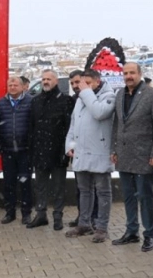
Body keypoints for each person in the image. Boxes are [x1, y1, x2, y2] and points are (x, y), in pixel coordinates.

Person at [110, 63, 153, 251]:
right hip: (124, 155)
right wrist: (113, 149)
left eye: (132, 72)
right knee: (129, 197)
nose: (128, 76)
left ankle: (150, 235)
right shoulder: (119, 95)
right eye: (125, 73)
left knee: (145, 197)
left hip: (144, 156)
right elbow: (117, 124)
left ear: (140, 74)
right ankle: (131, 231)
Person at [65, 69, 116, 243]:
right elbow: (74, 122)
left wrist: (86, 92)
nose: (81, 86)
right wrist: (69, 144)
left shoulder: (109, 96)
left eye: (86, 82)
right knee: (84, 191)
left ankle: (101, 227)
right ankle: (84, 223)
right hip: (81, 151)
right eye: (81, 83)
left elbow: (99, 112)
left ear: (97, 81)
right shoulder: (81, 98)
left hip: (99, 151)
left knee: (103, 191)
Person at [27, 69, 74, 231]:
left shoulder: (66, 101)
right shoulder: (36, 101)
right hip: (39, 151)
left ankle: (57, 216)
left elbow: (69, 128)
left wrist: (66, 150)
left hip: (58, 152)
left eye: (49, 79)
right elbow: (31, 127)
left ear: (56, 81)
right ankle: (41, 215)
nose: (45, 81)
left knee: (58, 186)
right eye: (43, 79)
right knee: (40, 185)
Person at [0, 76, 33, 225]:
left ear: (22, 86)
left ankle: (26, 213)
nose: (12, 87)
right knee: (9, 183)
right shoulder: (1, 104)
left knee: (25, 183)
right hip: (7, 150)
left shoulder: (31, 102)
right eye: (10, 84)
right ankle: (10, 212)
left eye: (15, 84)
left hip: (25, 150)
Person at [66, 69, 97, 229]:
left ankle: (94, 218)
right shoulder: (74, 100)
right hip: (78, 150)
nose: (75, 86)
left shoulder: (94, 98)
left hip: (93, 151)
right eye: (72, 84)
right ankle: (82, 216)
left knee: (94, 189)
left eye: (78, 82)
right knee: (82, 188)